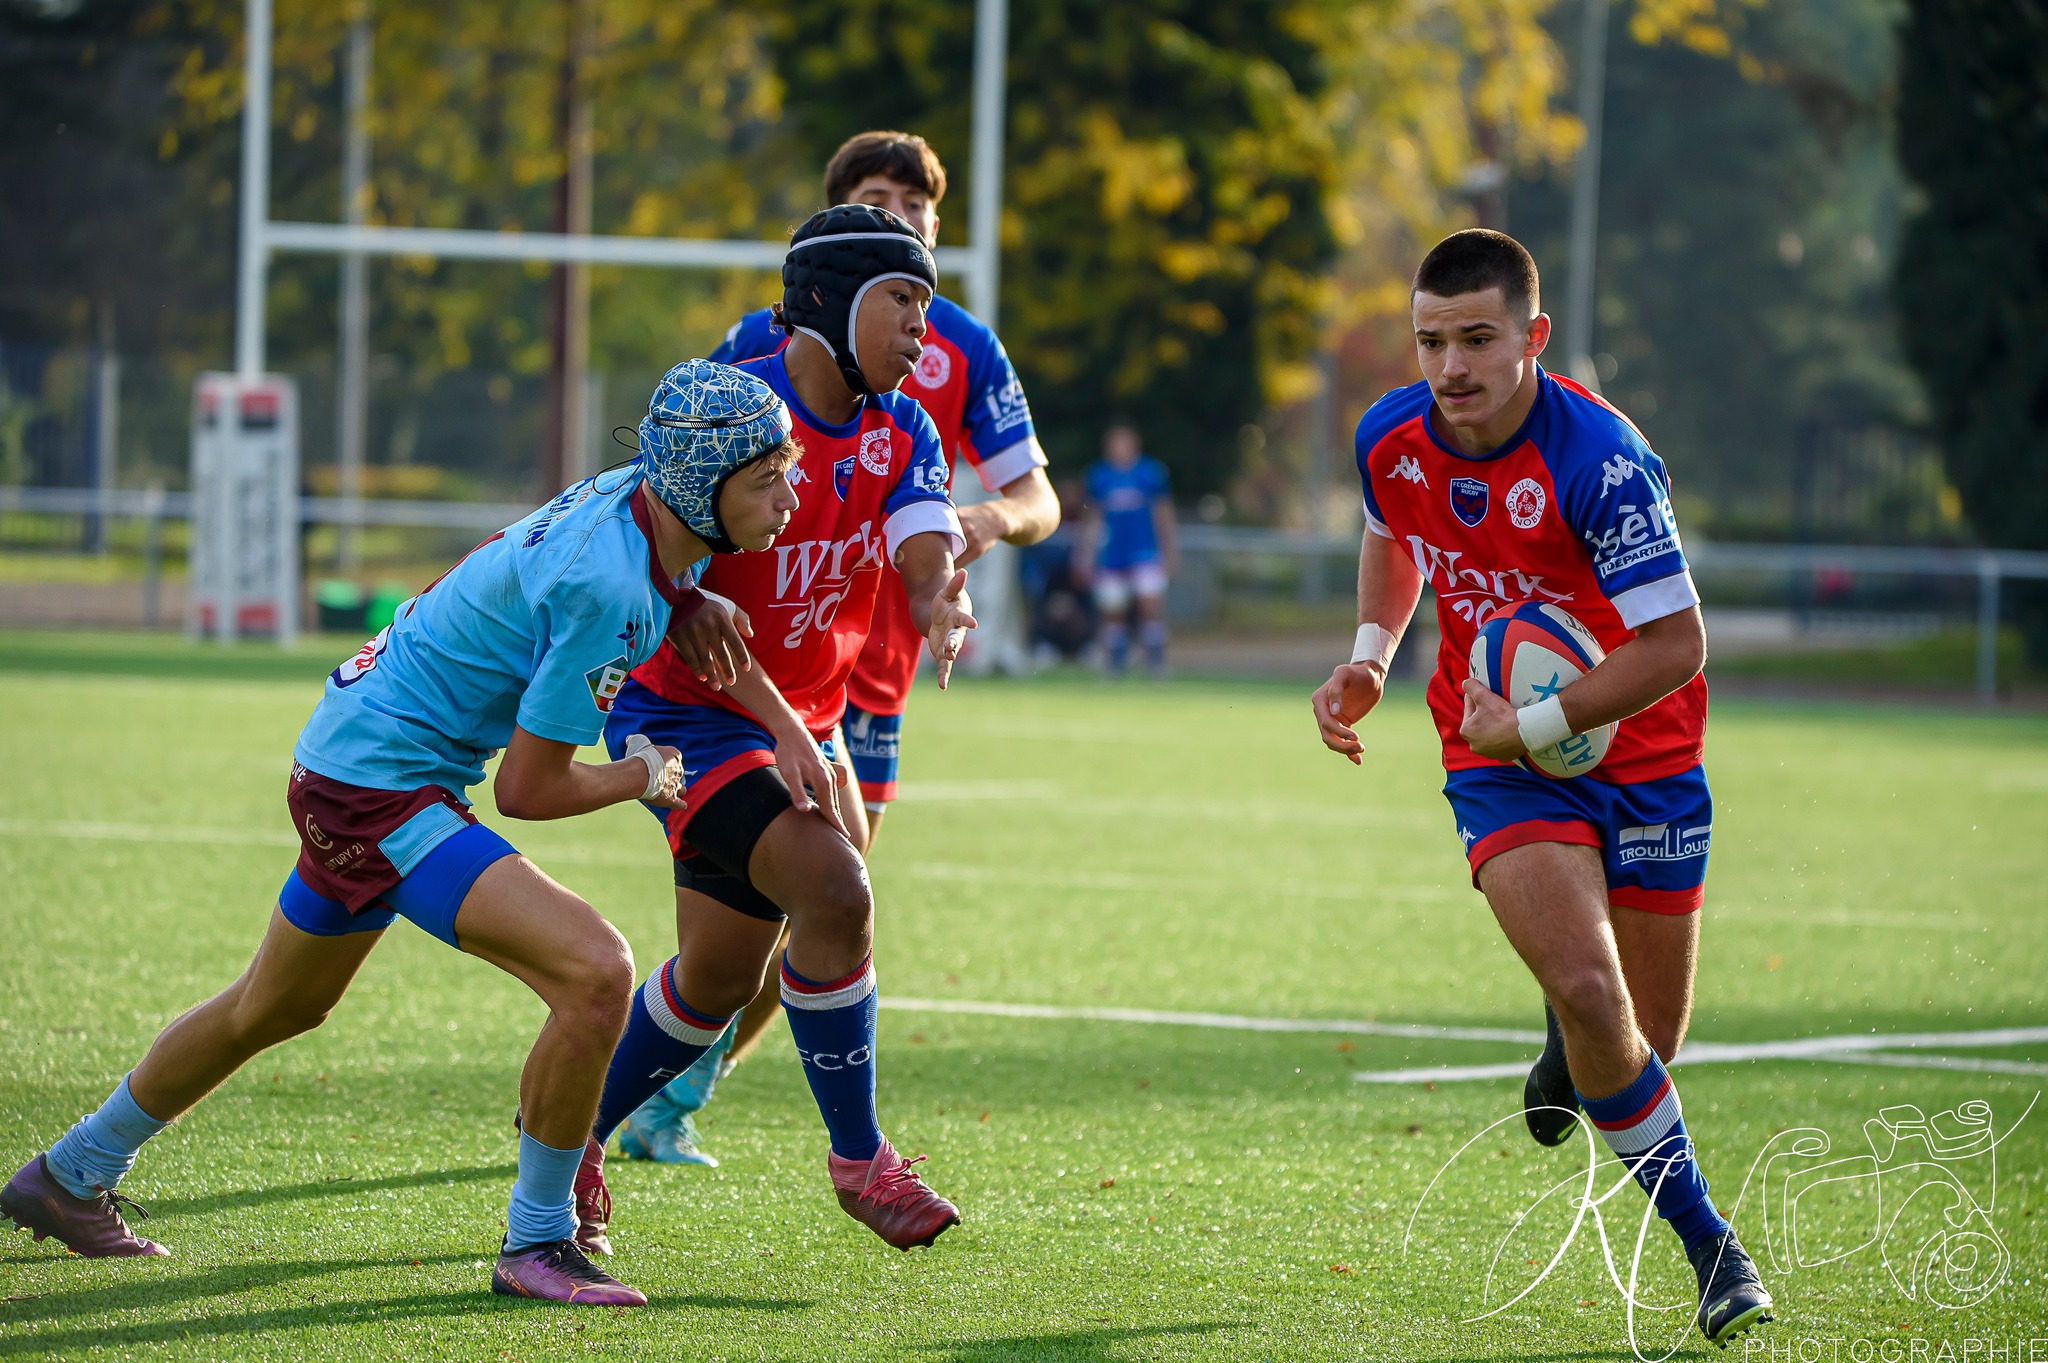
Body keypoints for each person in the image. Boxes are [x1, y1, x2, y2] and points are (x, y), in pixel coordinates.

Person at [0, 359, 803, 1307]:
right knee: (596, 972)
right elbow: (529, 788)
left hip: (354, 755)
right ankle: (540, 1241)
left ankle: (67, 1174)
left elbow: (631, 572)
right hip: (376, 786)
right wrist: (643, 774)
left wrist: (694, 602)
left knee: (274, 1005)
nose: (789, 498)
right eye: (768, 479)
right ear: (699, 485)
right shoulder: (608, 586)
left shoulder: (648, 503)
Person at [1310, 228, 1774, 1346]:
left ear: (1533, 337)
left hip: (1644, 751)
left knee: (1642, 1039)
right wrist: (1371, 655)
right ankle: (1713, 1247)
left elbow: (1677, 644)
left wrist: (1540, 721)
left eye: (1477, 339)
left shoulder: (1601, 462)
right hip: (1490, 747)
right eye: (1430, 341)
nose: (1450, 367)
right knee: (1592, 988)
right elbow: (1393, 534)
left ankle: (1569, 1041)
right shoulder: (1390, 437)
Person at [619, 129, 1062, 1168]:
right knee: (821, 887)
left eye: (917, 207)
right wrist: (684, 598)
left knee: (813, 907)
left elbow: (1034, 499)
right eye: (877, 200)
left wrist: (970, 538)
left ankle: (672, 1087)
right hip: (732, 672)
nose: (902, 221)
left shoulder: (959, 351)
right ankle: (801, 1141)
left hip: (863, 671)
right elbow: (674, 495)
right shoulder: (762, 350)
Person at [572, 203, 973, 1257]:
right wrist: (790, 727)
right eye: (901, 299)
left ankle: (570, 1134)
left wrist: (940, 599)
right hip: (681, 713)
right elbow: (666, 583)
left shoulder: (904, 427)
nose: (920, 326)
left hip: (790, 720)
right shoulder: (735, 415)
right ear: (830, 303)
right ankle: (862, 1162)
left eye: (926, 303)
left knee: (717, 978)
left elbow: (923, 543)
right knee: (837, 889)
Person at [1080, 422, 1178, 677]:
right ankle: (1115, 664)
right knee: (1113, 609)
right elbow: (1092, 517)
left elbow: (1163, 513)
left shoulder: (1150, 473)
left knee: (1150, 606)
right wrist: (1085, 554)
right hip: (1111, 553)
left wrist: (1169, 550)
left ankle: (1156, 663)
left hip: (1144, 551)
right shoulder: (1100, 475)